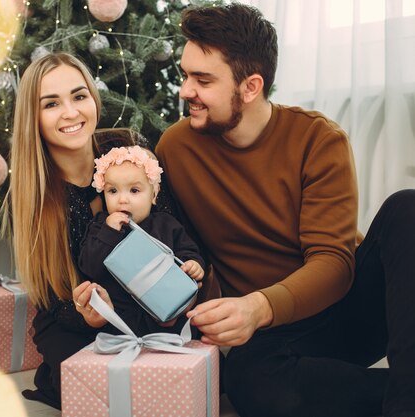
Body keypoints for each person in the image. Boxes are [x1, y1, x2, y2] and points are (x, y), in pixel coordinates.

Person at [156, 3, 415, 417]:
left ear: (250, 86)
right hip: (273, 334)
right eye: (186, 75)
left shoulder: (317, 139)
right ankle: (395, 392)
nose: (186, 90)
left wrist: (257, 305)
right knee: (254, 387)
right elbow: (175, 243)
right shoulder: (175, 148)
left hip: (346, 310)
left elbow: (333, 263)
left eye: (202, 80)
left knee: (408, 208)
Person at [5, 52, 177, 410]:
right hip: (73, 320)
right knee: (94, 390)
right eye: (51, 104)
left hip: (144, 306)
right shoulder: (36, 191)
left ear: (94, 99)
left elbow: (171, 225)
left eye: (79, 96)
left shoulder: (128, 147)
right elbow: (51, 297)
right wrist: (90, 314)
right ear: (33, 119)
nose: (71, 112)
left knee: (170, 374)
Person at [78, 145, 206, 332]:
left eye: (134, 191)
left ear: (153, 194)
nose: (122, 200)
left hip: (165, 316)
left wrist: (192, 264)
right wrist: (109, 231)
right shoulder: (100, 227)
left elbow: (186, 250)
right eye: (113, 191)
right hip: (120, 322)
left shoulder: (165, 224)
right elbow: (89, 267)